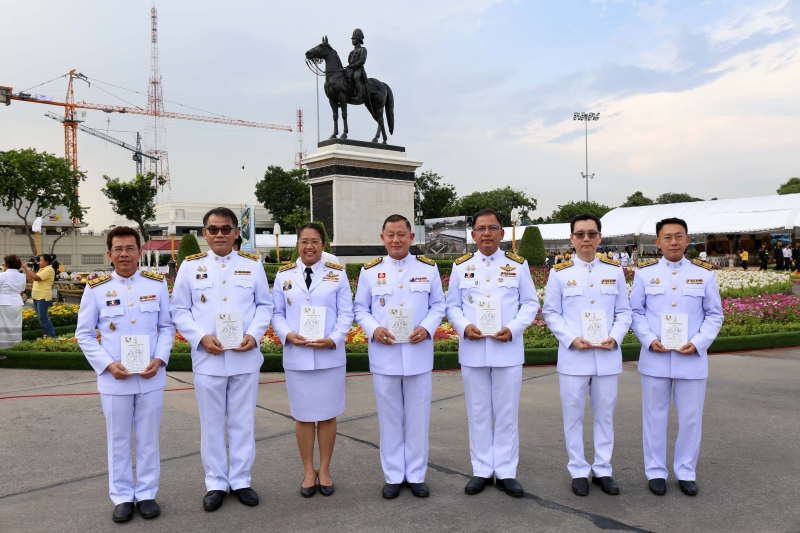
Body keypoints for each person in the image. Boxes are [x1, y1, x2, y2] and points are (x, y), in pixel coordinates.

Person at [170, 207, 273, 512]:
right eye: (213, 230)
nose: (219, 235)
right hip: (208, 358)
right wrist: (200, 337)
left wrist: (254, 334)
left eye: (225, 229)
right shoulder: (190, 267)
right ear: (204, 234)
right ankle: (216, 482)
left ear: (236, 232)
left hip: (244, 357)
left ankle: (241, 479)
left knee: (243, 422)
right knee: (212, 423)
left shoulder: (252, 266)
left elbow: (264, 306)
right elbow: (179, 310)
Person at [75, 227, 175, 523]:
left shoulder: (156, 285)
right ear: (109, 254)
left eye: (130, 248)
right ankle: (121, 496)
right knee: (118, 439)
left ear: (139, 252)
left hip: (150, 375)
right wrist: (106, 365)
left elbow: (167, 327)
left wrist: (160, 359)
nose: (124, 254)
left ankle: (146, 494)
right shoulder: (96, 288)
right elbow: (84, 334)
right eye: (118, 249)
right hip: (114, 378)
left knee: (148, 439)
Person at [446, 208, 539, 498]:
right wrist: (464, 326)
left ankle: (507, 472)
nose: (487, 233)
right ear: (473, 234)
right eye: (481, 228)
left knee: (507, 413)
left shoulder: (517, 264)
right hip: (473, 350)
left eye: (493, 227)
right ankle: (482, 469)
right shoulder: (461, 266)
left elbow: (530, 303)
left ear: (502, 233)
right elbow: (452, 306)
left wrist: (513, 328)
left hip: (507, 349)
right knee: (478, 412)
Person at [354, 215, 446, 499]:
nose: (396, 240)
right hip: (385, 355)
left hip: (418, 354)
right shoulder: (370, 272)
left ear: (411, 237)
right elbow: (360, 309)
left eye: (402, 234)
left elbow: (438, 305)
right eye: (390, 235)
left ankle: (416, 475)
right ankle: (394, 474)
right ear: (382, 238)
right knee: (389, 418)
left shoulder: (427, 269)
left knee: (419, 417)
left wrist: (427, 328)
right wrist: (375, 329)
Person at [630, 217, 723, 497]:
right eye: (667, 237)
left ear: (687, 240)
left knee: (691, 419)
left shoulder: (704, 274)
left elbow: (714, 314)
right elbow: (636, 312)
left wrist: (698, 343)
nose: (673, 242)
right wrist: (649, 339)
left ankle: (686, 471)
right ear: (657, 242)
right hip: (655, 358)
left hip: (691, 358)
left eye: (678, 236)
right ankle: (656, 471)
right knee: (654, 418)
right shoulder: (644, 274)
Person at [542, 214, 632, 497]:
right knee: (573, 417)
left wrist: (615, 337)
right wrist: (570, 339)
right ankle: (578, 470)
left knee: (605, 416)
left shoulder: (614, 271)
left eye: (591, 234)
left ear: (600, 238)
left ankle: (603, 469)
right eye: (580, 234)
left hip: (606, 356)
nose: (586, 239)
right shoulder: (560, 273)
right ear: (571, 239)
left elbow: (625, 312)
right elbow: (551, 313)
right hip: (574, 357)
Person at [271, 223, 353, 498]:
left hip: (329, 355)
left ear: (323, 245)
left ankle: (325, 469)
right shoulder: (284, 275)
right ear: (297, 245)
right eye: (304, 241)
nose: (309, 246)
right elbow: (276, 313)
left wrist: (335, 338)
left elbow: (346, 313)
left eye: (315, 241)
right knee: (304, 417)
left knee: (328, 415)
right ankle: (308, 470)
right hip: (298, 355)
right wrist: (287, 334)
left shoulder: (337, 275)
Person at [22, 254, 57, 337]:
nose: (39, 262)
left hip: (43, 296)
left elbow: (37, 277)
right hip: (36, 296)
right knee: (41, 318)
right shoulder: (41, 269)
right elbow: (31, 279)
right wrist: (26, 270)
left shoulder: (49, 269)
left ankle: (52, 336)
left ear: (47, 261)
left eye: (41, 260)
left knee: (43, 318)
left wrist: (27, 268)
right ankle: (45, 335)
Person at [0, 255, 26, 349]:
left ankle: (3, 346)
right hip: (16, 303)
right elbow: (22, 291)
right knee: (15, 325)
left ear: (7, 264)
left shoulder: (2, 275)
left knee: (3, 325)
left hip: (3, 302)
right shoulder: (22, 276)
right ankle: (15, 346)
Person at [345, 28, 368, 102]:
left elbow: (362, 61)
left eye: (354, 39)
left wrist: (352, 66)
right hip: (352, 69)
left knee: (356, 77)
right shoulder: (351, 52)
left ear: (358, 40)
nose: (352, 40)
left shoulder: (363, 49)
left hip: (359, 69)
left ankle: (359, 96)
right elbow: (349, 62)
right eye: (352, 39)